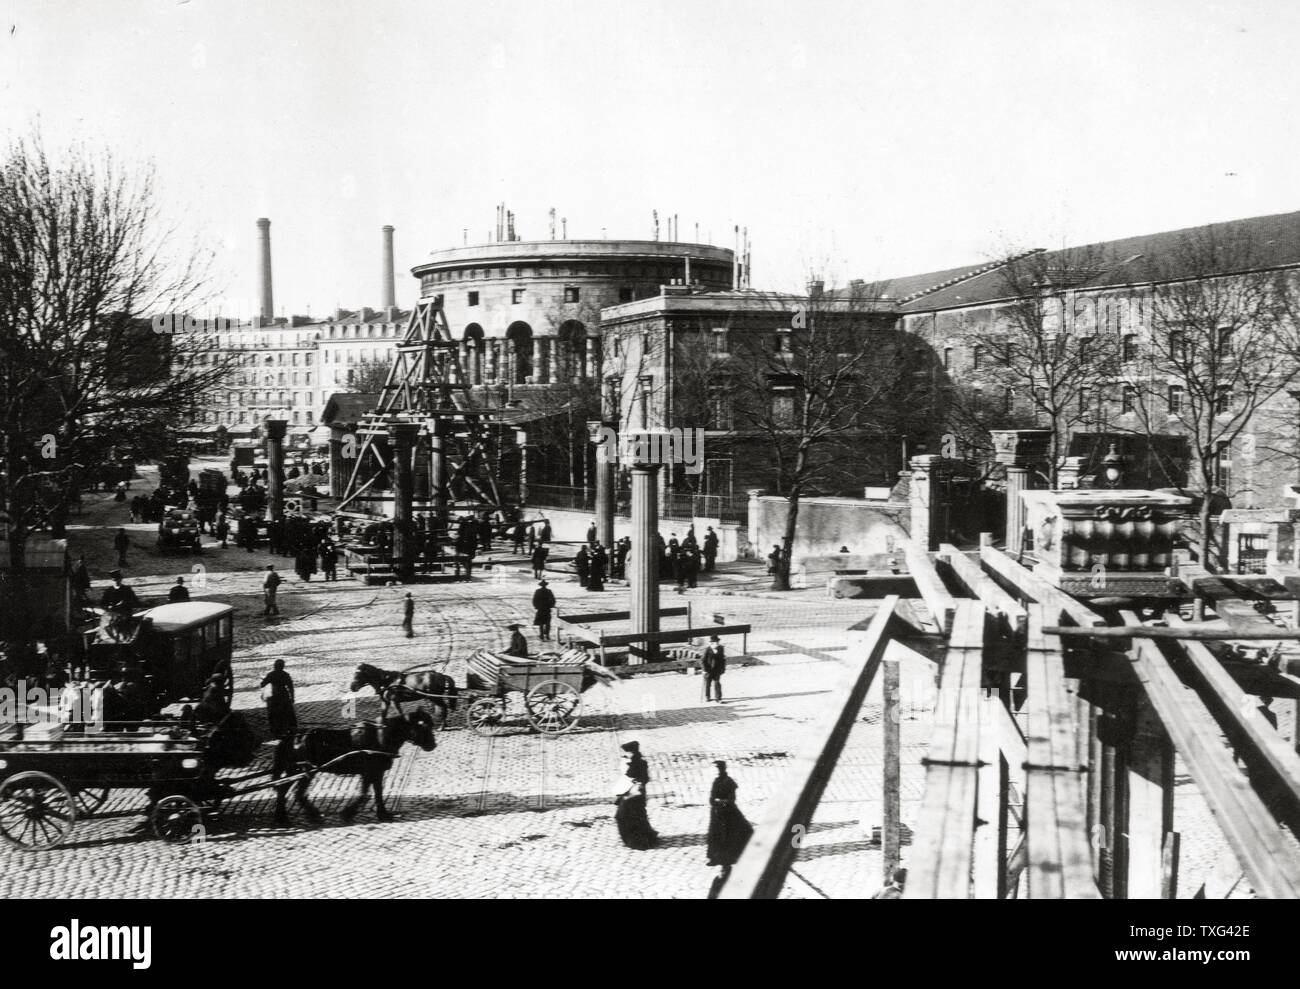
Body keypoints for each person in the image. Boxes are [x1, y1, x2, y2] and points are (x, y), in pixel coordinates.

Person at [706, 761, 754, 883]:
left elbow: (732, 799)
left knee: (734, 832)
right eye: (716, 769)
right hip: (717, 812)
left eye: (719, 769)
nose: (717, 771)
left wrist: (722, 802)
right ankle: (715, 857)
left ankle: (734, 855)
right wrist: (715, 803)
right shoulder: (716, 781)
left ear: (723, 769)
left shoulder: (730, 782)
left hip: (728, 812)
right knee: (715, 834)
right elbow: (711, 798)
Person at [614, 741, 659, 850]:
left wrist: (638, 784)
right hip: (629, 793)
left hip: (636, 795)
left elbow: (644, 778)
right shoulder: (629, 762)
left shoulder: (640, 763)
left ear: (633, 752)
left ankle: (639, 840)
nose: (626, 754)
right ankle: (635, 838)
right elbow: (626, 774)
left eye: (628, 752)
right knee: (628, 816)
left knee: (632, 816)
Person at [261, 659, 296, 738]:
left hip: (275, 697)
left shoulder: (271, 674)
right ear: (283, 667)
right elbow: (291, 687)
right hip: (284, 696)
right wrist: (293, 697)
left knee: (273, 715)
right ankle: (291, 728)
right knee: (289, 713)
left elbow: (262, 684)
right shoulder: (286, 675)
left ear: (275, 666)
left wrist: (264, 680)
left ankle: (275, 731)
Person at [702, 634, 726, 702]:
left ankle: (718, 698)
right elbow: (703, 660)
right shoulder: (707, 650)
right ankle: (707, 696)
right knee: (708, 684)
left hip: (717, 670)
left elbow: (723, 659)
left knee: (717, 683)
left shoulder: (721, 648)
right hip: (709, 670)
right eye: (716, 642)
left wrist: (723, 669)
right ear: (712, 643)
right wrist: (704, 670)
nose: (718, 643)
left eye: (718, 642)